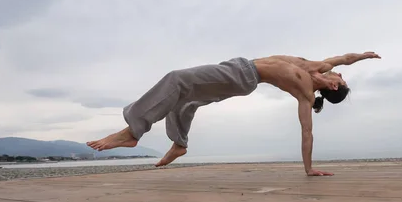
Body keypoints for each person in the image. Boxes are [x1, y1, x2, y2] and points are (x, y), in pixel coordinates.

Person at [87, 51, 381, 176]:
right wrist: (365, 56)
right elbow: (346, 57)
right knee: (185, 100)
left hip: (242, 75)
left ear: (332, 87)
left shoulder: (305, 91)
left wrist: (309, 169)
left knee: (177, 80)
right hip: (239, 69)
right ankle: (179, 143)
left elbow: (307, 131)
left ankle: (132, 131)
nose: (340, 72)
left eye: (341, 79)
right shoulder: (318, 65)